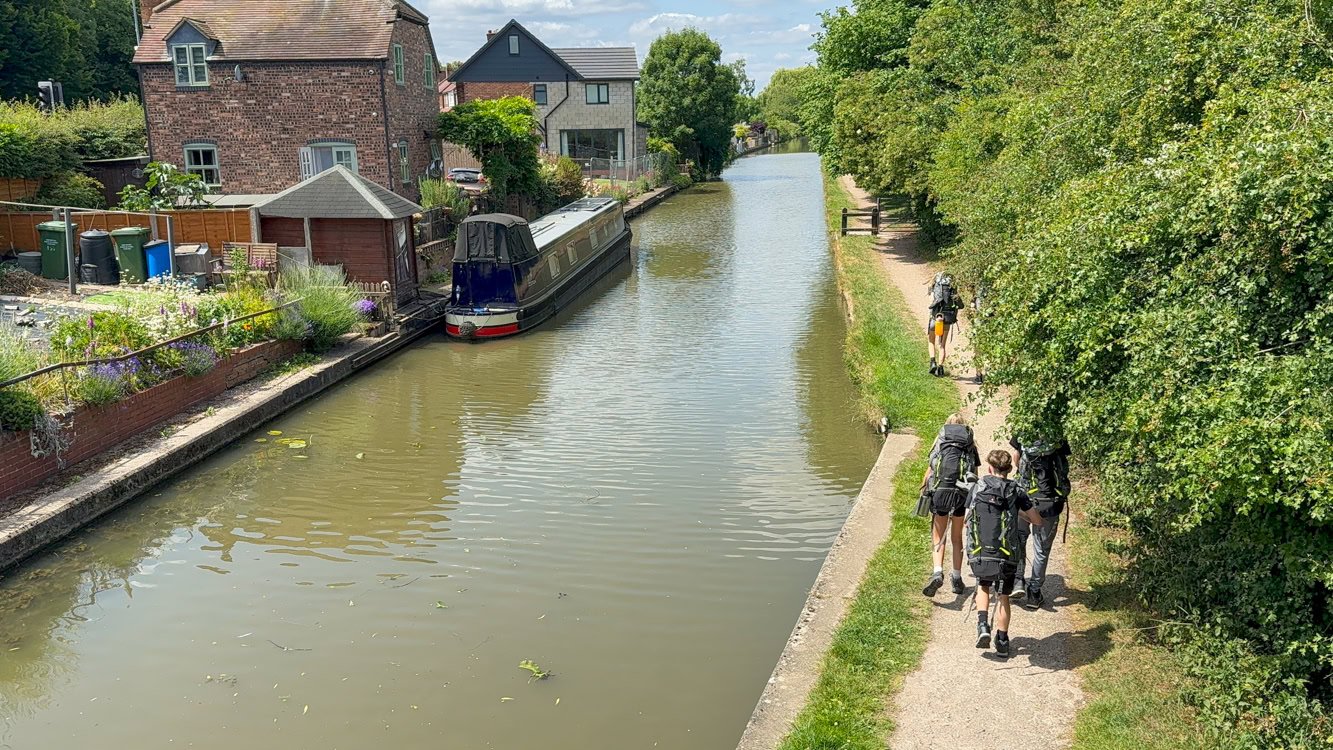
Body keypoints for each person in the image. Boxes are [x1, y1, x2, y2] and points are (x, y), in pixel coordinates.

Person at [967, 449, 1043, 657]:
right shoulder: (1017, 490)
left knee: (983, 586)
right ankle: (1002, 640)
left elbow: (968, 518)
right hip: (1007, 553)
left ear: (989, 468)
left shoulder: (978, 486)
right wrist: (1019, 513)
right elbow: (1036, 520)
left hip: (982, 551)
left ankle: (983, 625)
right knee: (1003, 596)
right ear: (1009, 469)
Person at [920, 413, 981, 598]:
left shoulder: (941, 441)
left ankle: (937, 572)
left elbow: (930, 471)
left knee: (938, 536)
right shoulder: (969, 444)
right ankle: (956, 577)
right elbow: (974, 474)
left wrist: (924, 490)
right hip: (960, 494)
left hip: (940, 492)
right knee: (956, 538)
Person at [1010, 435, 1072, 609]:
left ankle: (1018, 581)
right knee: (1041, 549)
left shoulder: (1024, 429)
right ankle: (1034, 592)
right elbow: (1064, 467)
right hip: (1050, 502)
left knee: (1018, 540)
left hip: (1025, 498)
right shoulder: (1056, 433)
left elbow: (1016, 458)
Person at [927, 272, 963, 377]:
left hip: (936, 317)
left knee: (931, 341)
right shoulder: (952, 289)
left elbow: (931, 301)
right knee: (942, 345)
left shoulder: (934, 288)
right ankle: (940, 368)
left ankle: (933, 362)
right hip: (947, 318)